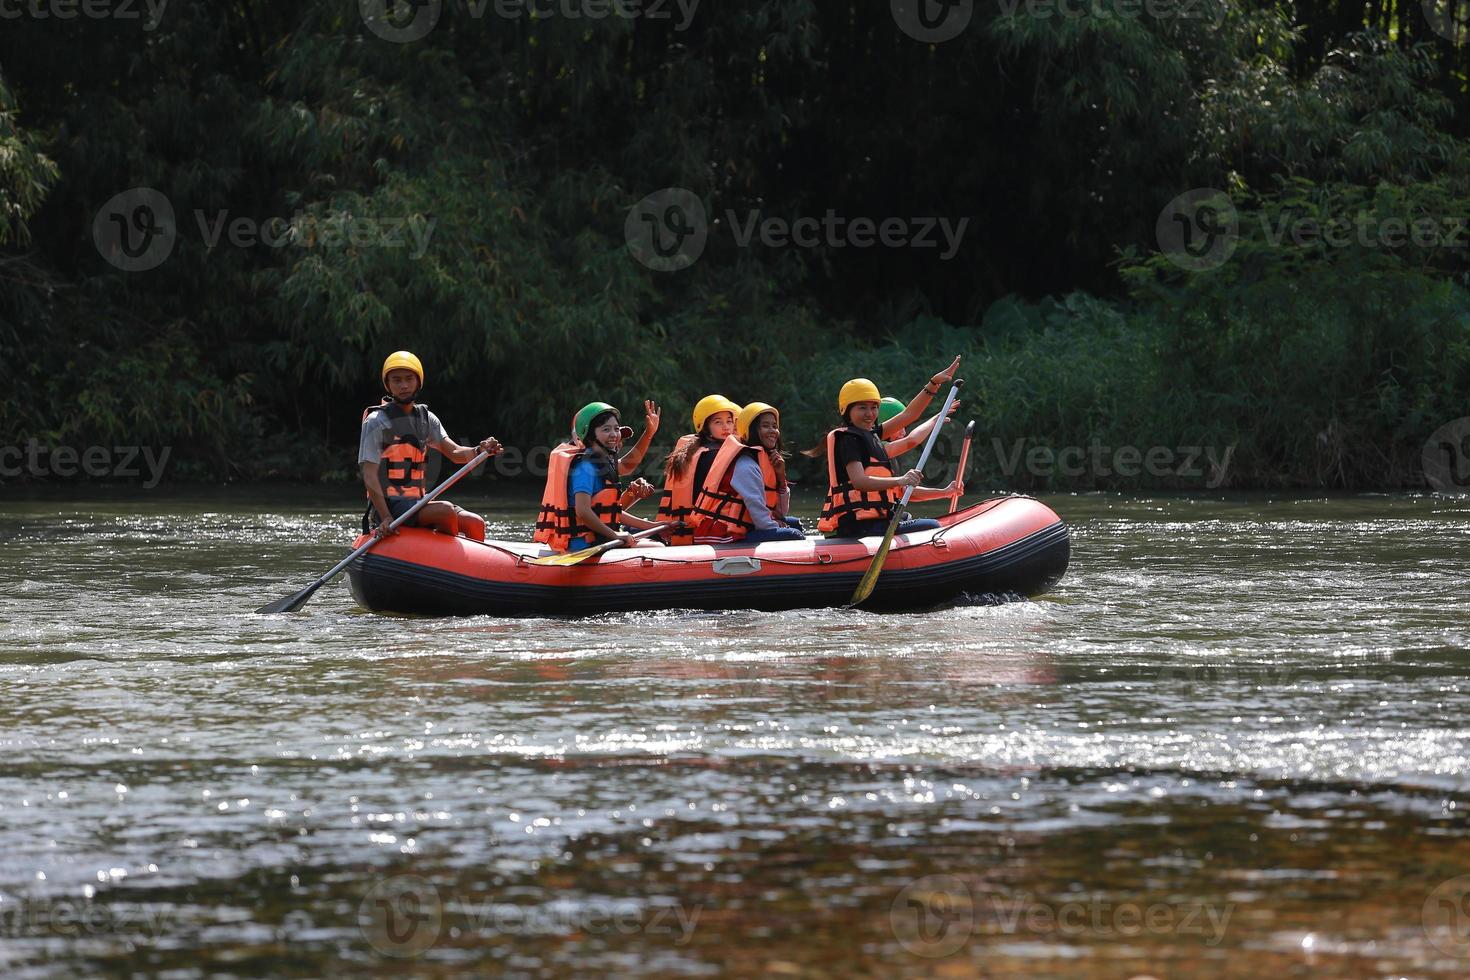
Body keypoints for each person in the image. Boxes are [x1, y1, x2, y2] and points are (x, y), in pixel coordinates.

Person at [359, 351, 502, 541]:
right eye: (396, 380)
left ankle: (474, 565)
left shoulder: (426, 419)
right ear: (388, 385)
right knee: (445, 512)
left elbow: (455, 453)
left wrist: (479, 450)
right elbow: (369, 474)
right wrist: (385, 516)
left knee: (475, 522)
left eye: (409, 379)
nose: (404, 385)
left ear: (418, 382)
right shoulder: (376, 421)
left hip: (417, 501)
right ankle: (449, 560)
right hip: (390, 505)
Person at [818, 376, 961, 539]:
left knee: (907, 517)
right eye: (862, 408)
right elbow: (859, 482)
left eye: (873, 408)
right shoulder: (848, 440)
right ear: (846, 410)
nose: (869, 413)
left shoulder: (872, 439)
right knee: (932, 527)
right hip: (859, 525)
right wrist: (901, 479)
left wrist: (934, 384)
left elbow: (909, 415)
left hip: (875, 520)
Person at [534, 402, 663, 552]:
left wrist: (649, 433)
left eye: (616, 429)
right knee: (658, 547)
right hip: (585, 545)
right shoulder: (585, 468)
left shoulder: (602, 463)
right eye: (606, 430)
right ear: (590, 435)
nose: (615, 436)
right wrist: (616, 535)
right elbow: (582, 512)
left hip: (600, 539)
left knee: (656, 542)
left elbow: (612, 508)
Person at [688, 402, 806, 545]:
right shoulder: (746, 466)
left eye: (774, 426)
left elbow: (780, 513)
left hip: (746, 527)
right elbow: (763, 524)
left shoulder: (763, 461)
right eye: (765, 426)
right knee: (794, 534)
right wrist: (780, 527)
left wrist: (781, 478)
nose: (773, 431)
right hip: (722, 535)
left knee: (795, 524)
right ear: (751, 430)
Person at [657, 394, 741, 545]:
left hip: (690, 530)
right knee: (792, 531)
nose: (726, 427)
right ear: (705, 427)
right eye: (718, 422)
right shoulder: (713, 455)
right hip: (712, 531)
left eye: (729, 421)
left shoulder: (695, 449)